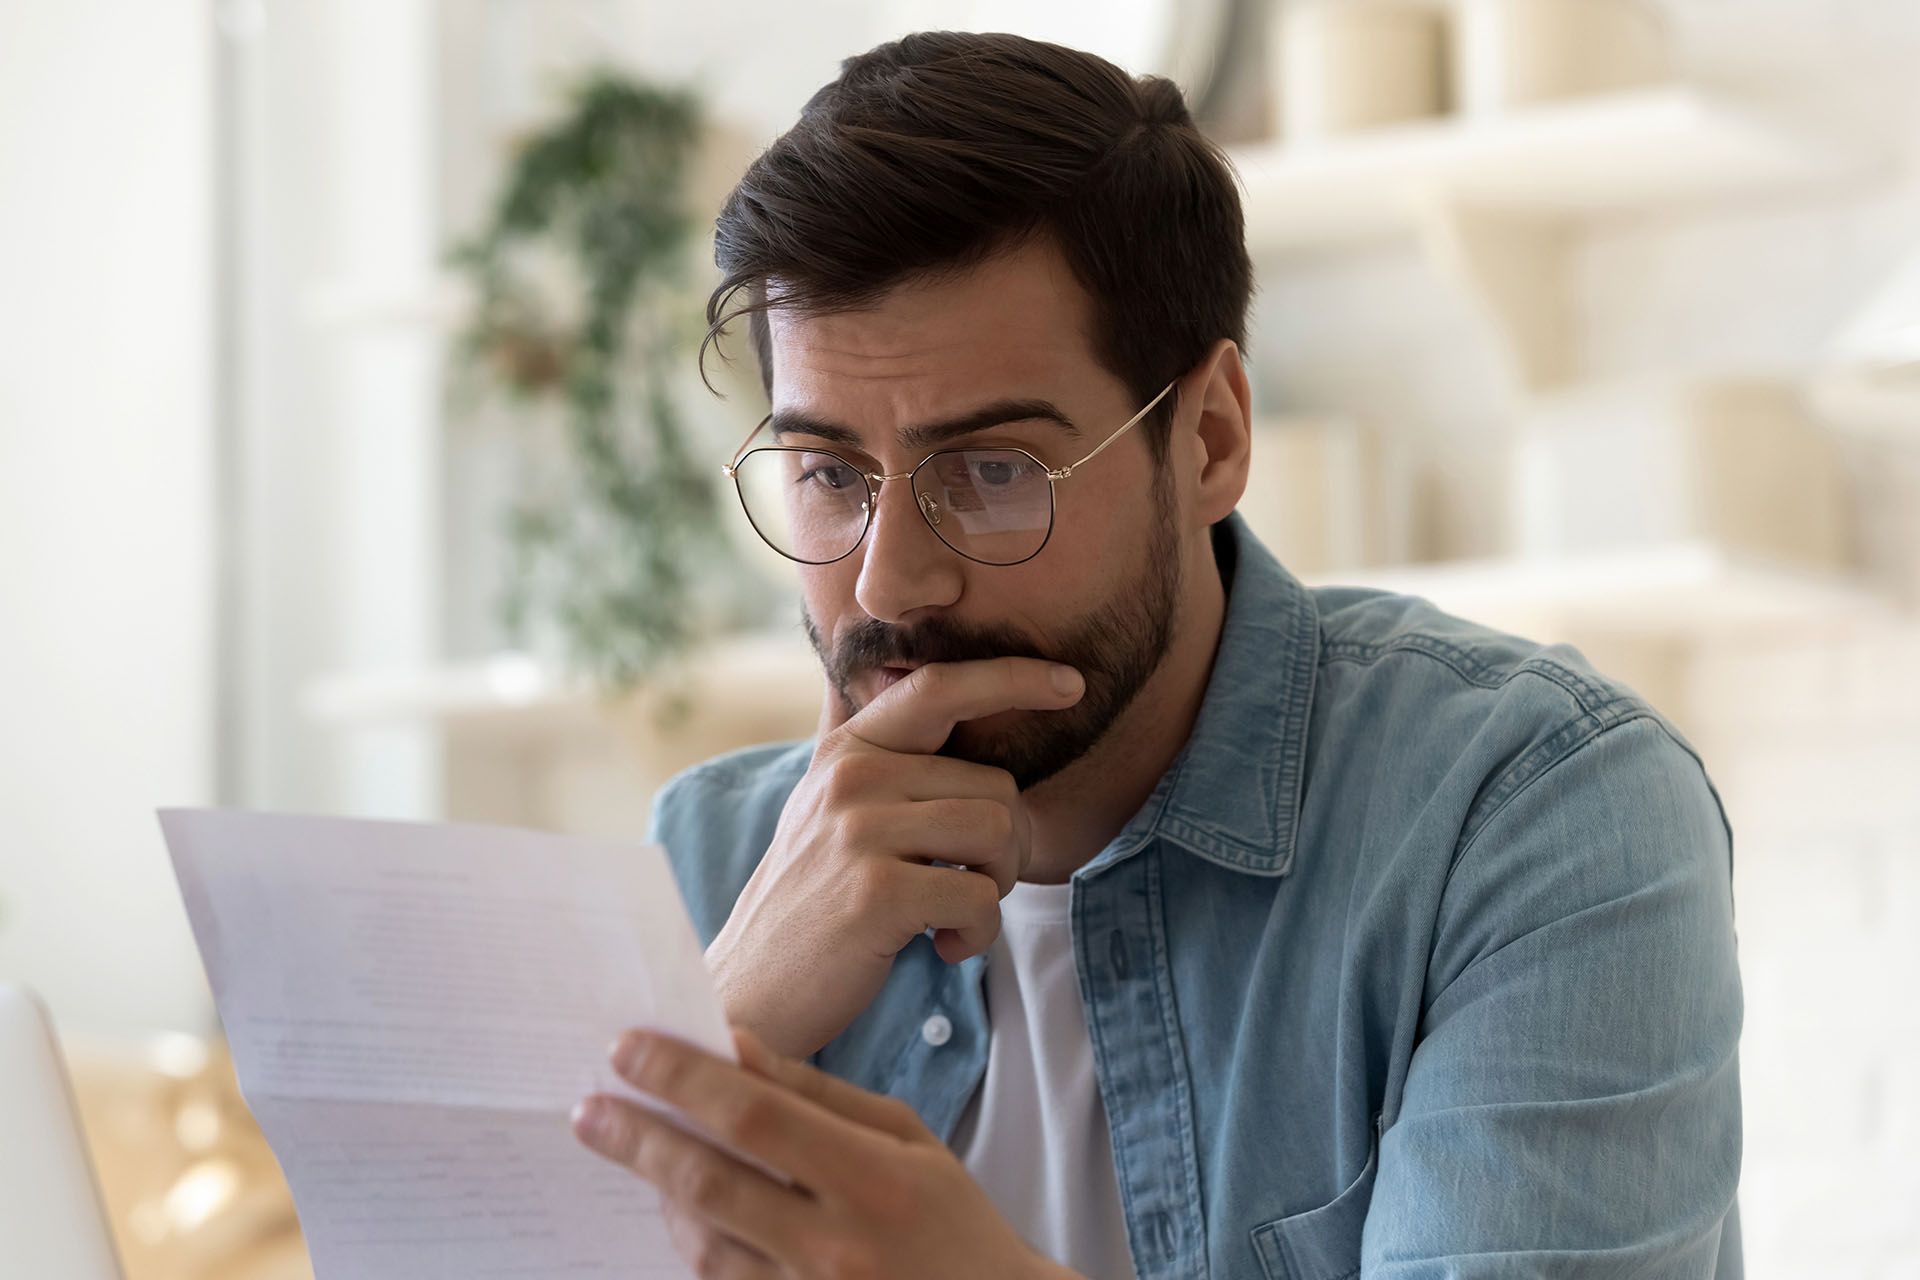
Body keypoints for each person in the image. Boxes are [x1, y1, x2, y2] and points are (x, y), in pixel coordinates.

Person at [569, 30, 1743, 1280]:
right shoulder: (709, 857)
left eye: (994, 471)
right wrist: (722, 1023)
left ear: (1212, 439)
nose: (888, 578)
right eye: (827, 475)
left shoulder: (1530, 816)